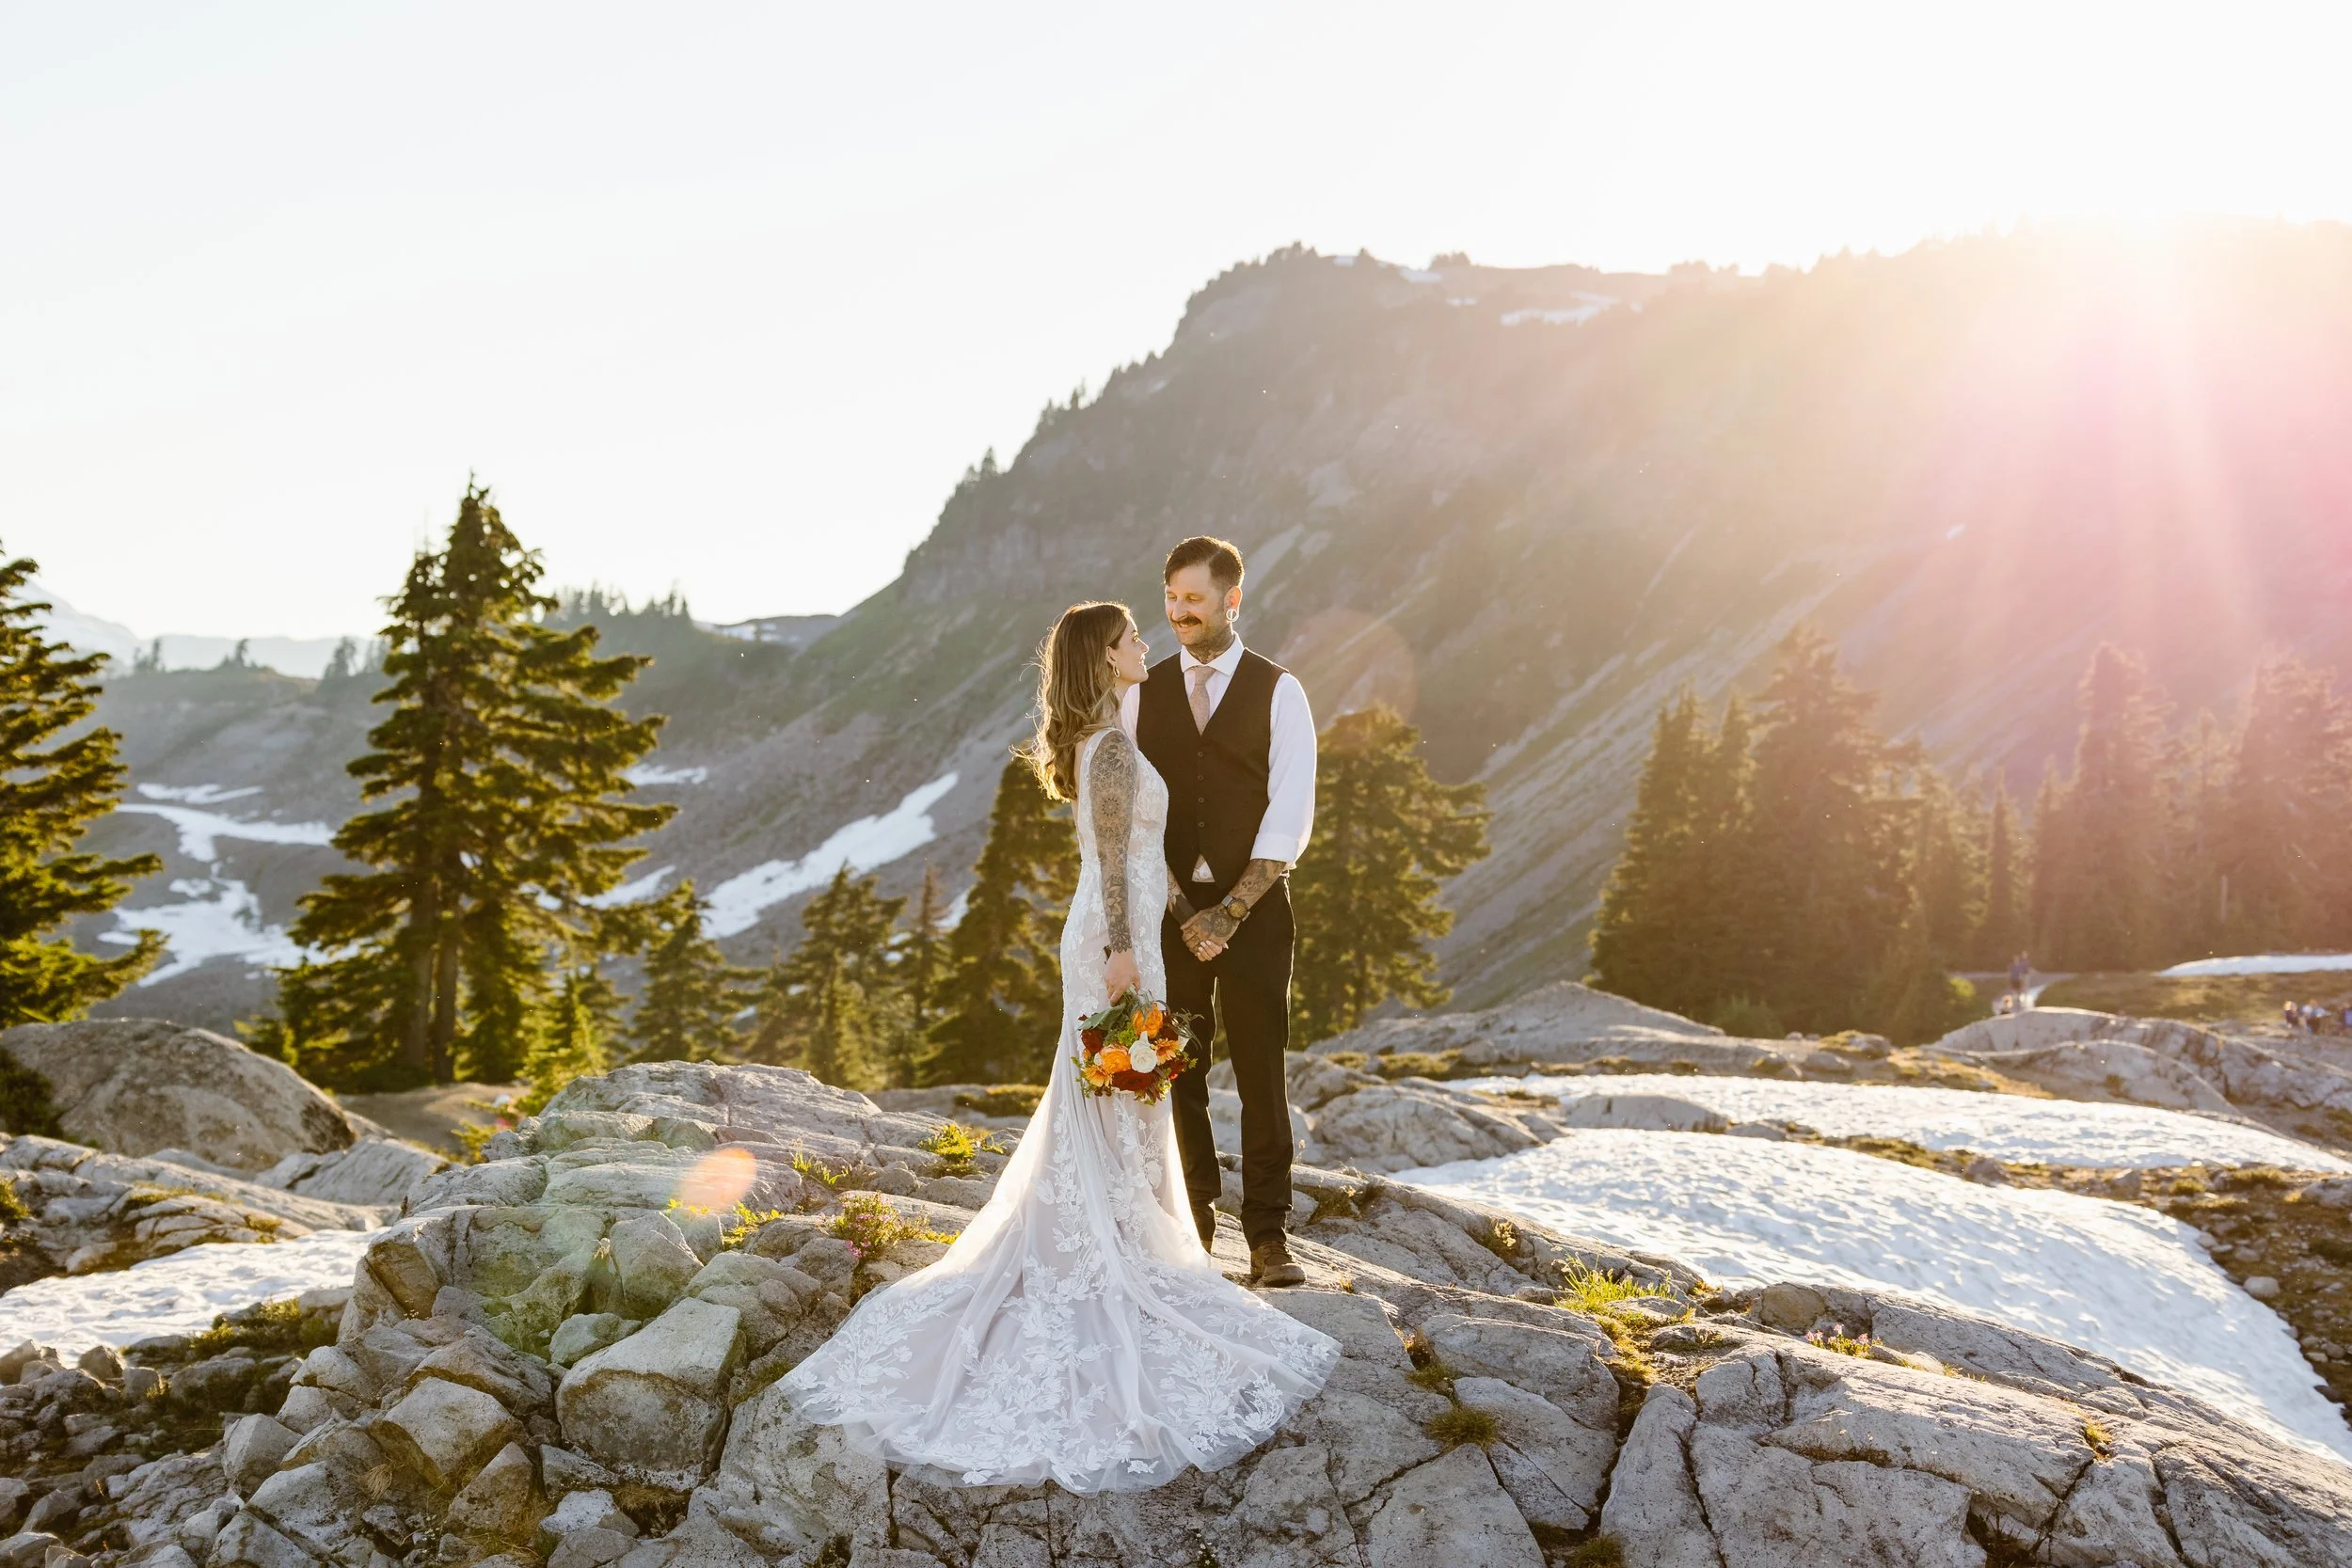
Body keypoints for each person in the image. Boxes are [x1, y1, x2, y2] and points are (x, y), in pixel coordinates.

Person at [779, 600, 1337, 1493]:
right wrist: (1123, 950)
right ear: (1102, 657)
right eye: (1128, 640)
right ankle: (1114, 1244)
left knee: (1114, 1094)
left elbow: (1134, 858)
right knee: (1116, 1087)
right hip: (1115, 944)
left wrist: (1173, 927)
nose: (1143, 646)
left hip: (1131, 937)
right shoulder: (1112, 750)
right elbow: (1117, 863)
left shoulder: (1106, 735)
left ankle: (1124, 1229)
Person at [1121, 536, 1317, 1290]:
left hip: (1258, 911)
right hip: (1170, 909)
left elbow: (1290, 814)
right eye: (1171, 599)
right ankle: (1193, 1225)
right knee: (1177, 1067)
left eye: (1193, 600)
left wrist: (1229, 912)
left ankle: (1269, 1236)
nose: (1178, 614)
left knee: (1264, 1069)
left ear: (1232, 600)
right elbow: (1137, 808)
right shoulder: (1144, 690)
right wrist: (1180, 907)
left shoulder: (1280, 690)